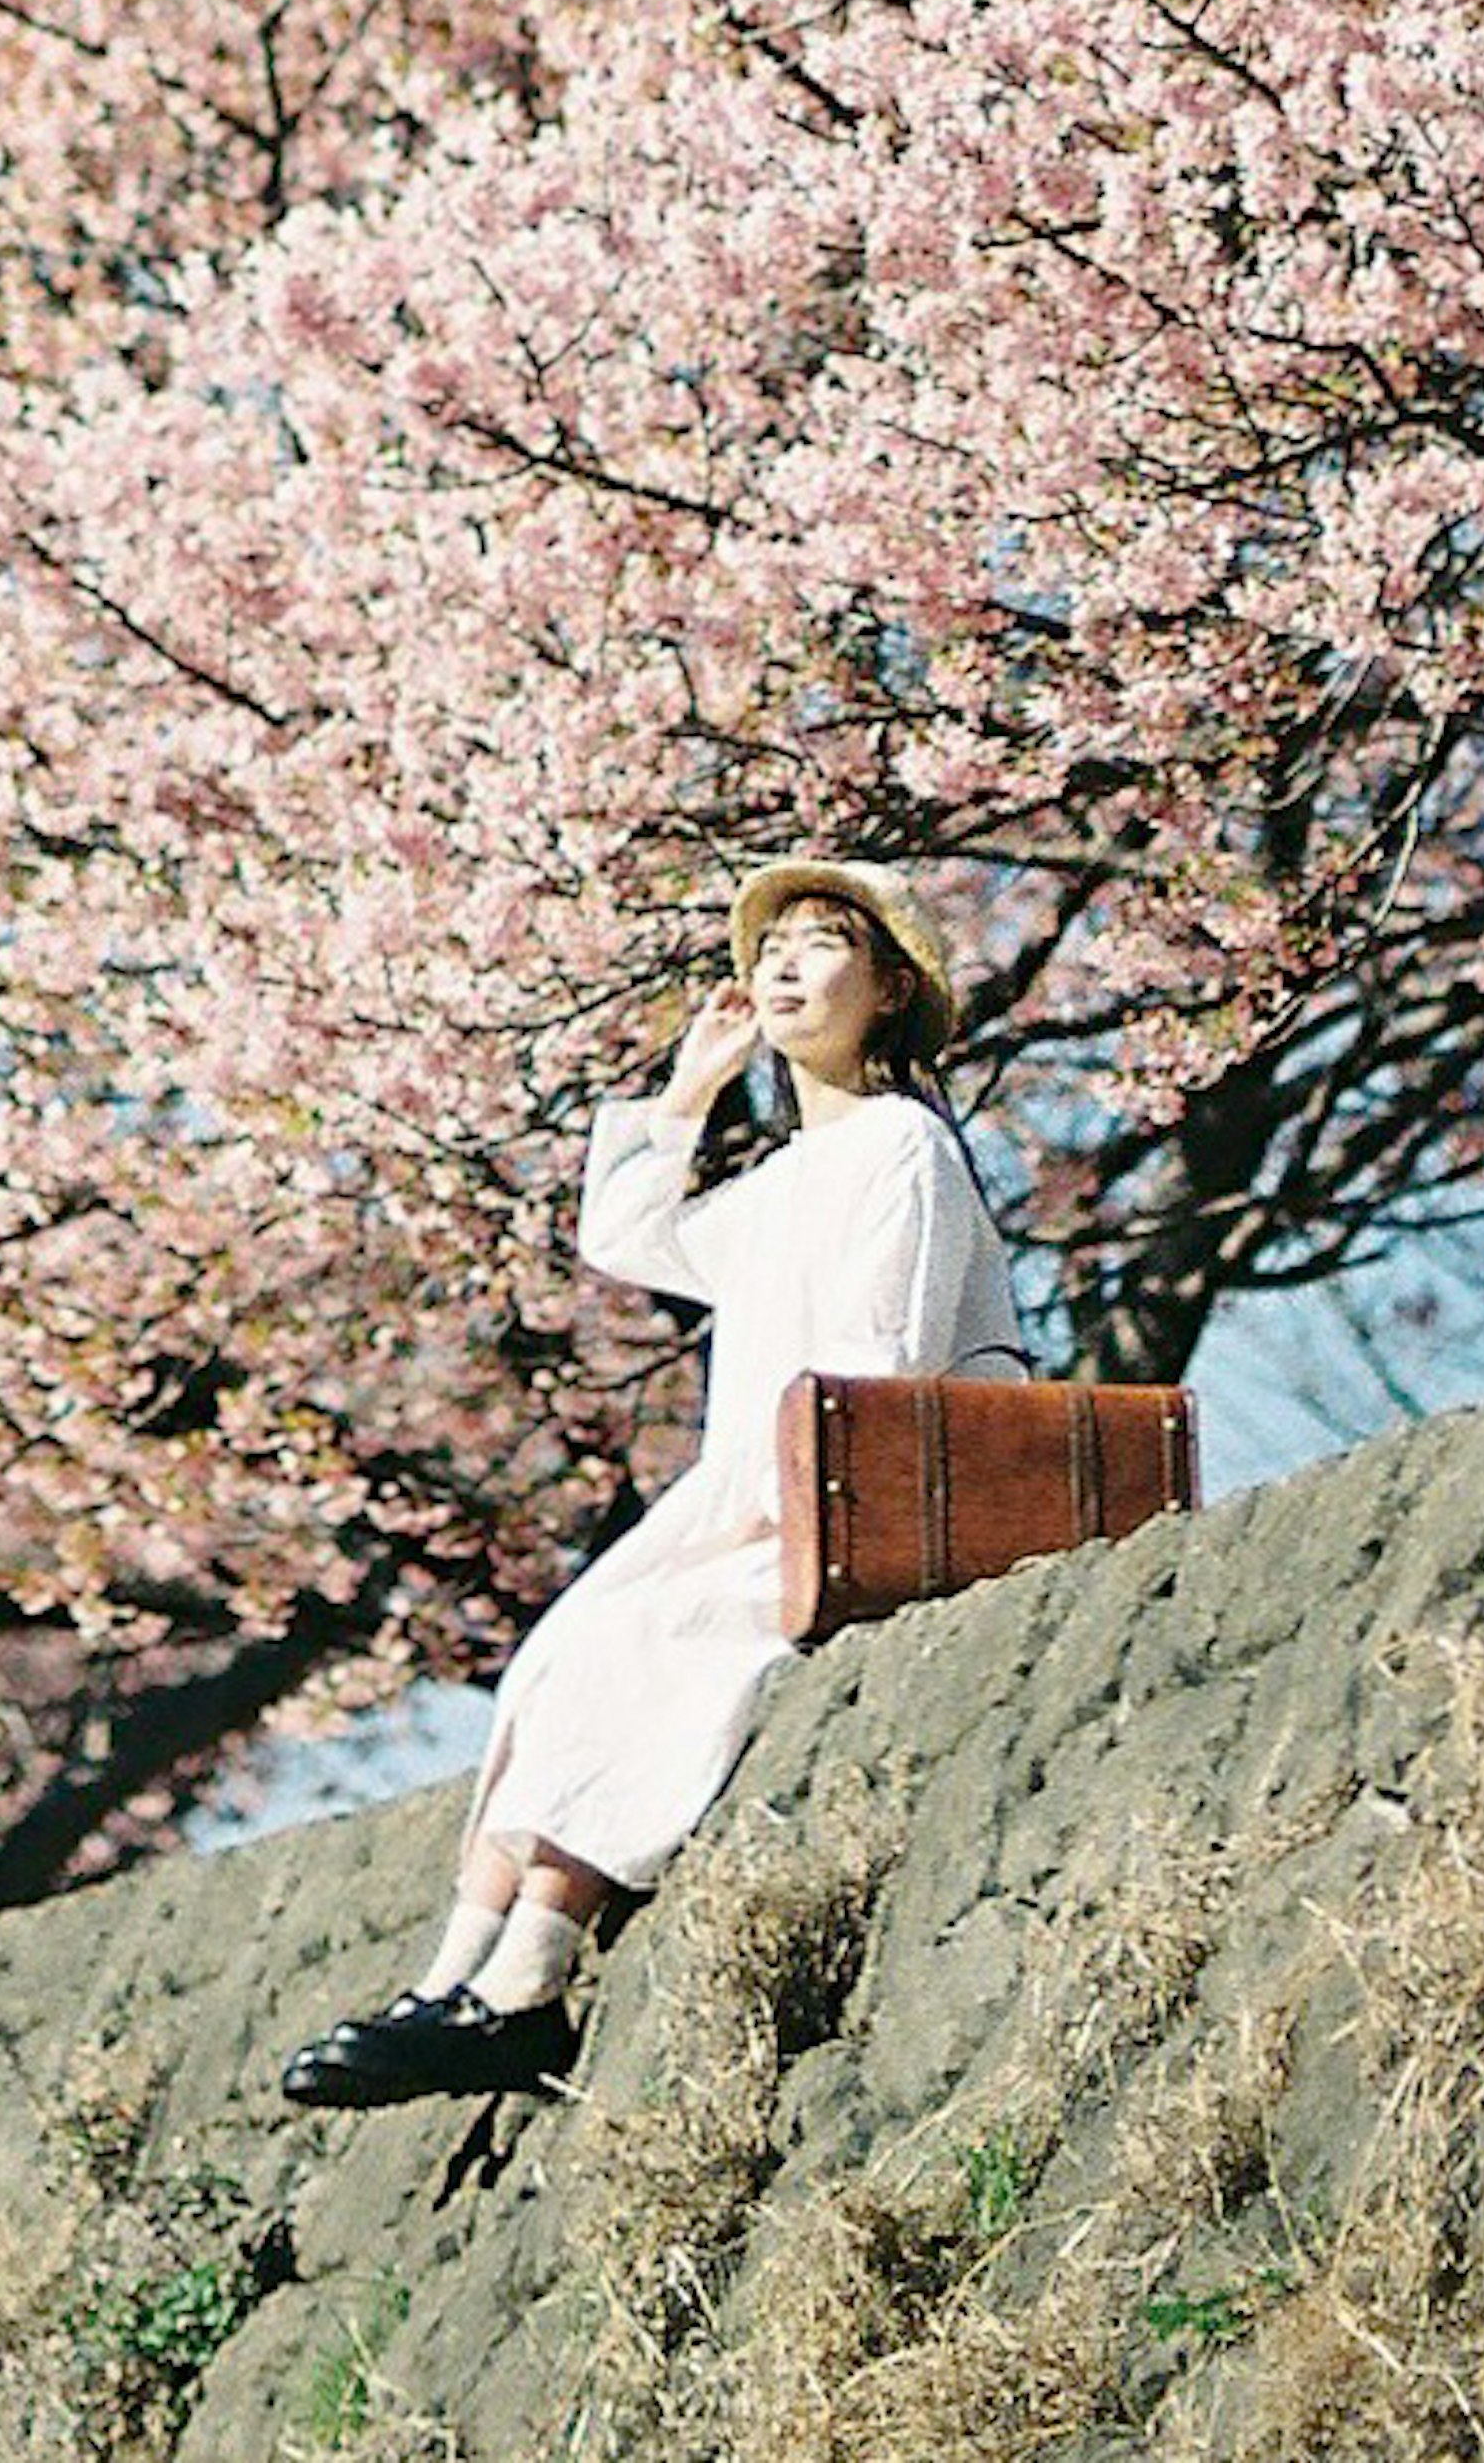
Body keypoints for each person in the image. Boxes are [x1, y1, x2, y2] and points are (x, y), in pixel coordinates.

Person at [280, 855, 1023, 2109]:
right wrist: (690, 1089)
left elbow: (884, 1364)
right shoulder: (787, 1175)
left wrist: (780, 1504)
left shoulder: (904, 1145)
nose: (782, 962)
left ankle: (525, 1976)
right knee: (567, 1651)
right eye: (769, 943)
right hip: (768, 1488)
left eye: (823, 941)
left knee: (660, 1640)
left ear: (892, 988)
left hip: (854, 1488)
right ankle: (450, 1976)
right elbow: (627, 1237)